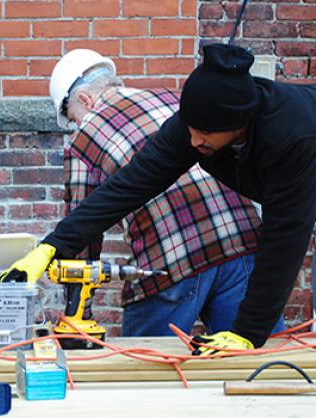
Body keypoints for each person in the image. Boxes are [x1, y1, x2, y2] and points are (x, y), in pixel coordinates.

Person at [0, 43, 316, 355]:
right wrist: (53, 245)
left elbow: (285, 237)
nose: (193, 142)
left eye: (204, 134)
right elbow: (131, 183)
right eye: (189, 129)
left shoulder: (292, 137)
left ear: (238, 125)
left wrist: (247, 333)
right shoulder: (197, 121)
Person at [46, 49, 282, 337]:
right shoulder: (172, 99)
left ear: (85, 100)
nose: (75, 126)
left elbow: (82, 232)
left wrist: (77, 316)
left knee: (144, 372)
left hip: (171, 259)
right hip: (241, 242)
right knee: (257, 364)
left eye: (72, 118)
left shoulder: (83, 138)